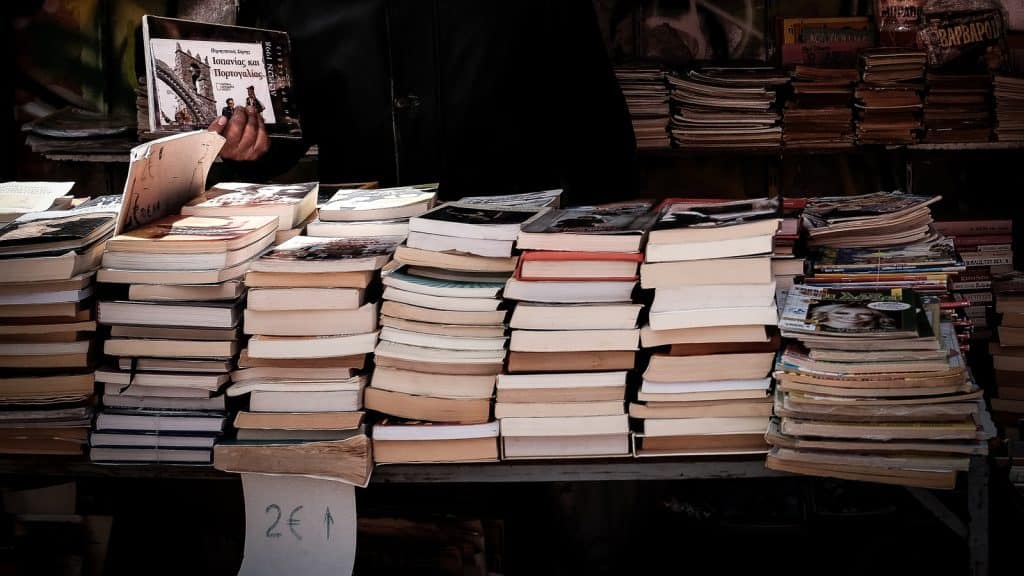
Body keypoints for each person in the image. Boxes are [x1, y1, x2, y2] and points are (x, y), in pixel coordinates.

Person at [209, 0, 637, 204]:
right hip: (362, 251)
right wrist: (244, 147)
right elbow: (283, 129)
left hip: (514, 239)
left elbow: (594, 118)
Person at [810, 303, 895, 331]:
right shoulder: (814, 327)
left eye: (865, 314)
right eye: (842, 313)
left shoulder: (881, 328)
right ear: (825, 314)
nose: (853, 318)